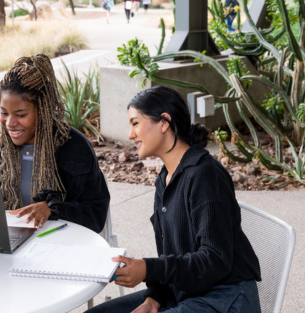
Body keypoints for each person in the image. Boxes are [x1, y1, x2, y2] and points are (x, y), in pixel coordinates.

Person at [86, 86, 261, 313]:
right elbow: (173, 255)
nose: (130, 134)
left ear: (164, 122)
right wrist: (154, 298)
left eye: (135, 123)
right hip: (183, 291)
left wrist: (148, 269)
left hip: (224, 299)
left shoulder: (206, 176)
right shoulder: (165, 179)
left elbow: (215, 260)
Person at [0, 54, 110, 233]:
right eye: (4, 112)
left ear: (43, 111)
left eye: (20, 115)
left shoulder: (75, 147)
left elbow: (95, 213)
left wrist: (52, 209)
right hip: (2, 240)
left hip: (61, 243)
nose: (10, 123)